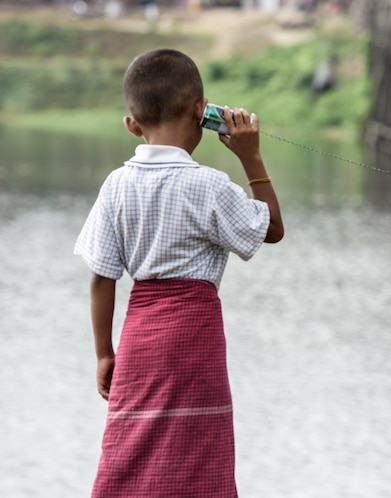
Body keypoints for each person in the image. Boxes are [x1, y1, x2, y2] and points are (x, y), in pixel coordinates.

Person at [74, 48, 284, 498]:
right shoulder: (208, 185)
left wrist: (104, 354)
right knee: (198, 452)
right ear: (200, 111)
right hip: (194, 337)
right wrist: (251, 157)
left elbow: (100, 277)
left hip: (140, 337)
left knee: (131, 448)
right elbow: (272, 229)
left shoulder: (116, 184)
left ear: (132, 124)